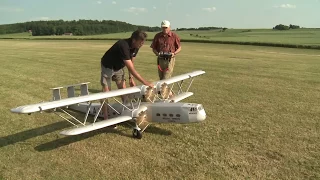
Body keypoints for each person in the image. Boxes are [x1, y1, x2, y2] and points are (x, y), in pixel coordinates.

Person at [100, 29, 154, 122]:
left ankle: (127, 111)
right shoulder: (123, 45)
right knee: (106, 92)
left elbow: (131, 63)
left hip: (119, 66)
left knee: (123, 90)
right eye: (140, 42)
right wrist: (146, 82)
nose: (142, 44)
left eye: (143, 42)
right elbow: (131, 69)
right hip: (108, 66)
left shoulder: (136, 47)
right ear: (134, 40)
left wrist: (130, 78)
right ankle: (105, 117)